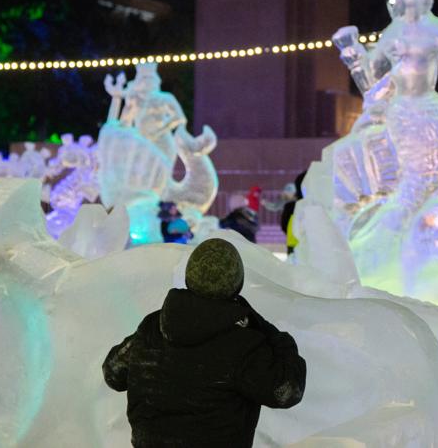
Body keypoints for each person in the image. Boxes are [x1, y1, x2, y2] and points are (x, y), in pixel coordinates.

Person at [103, 238, 306, 448]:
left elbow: (113, 373)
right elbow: (287, 391)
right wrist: (274, 335)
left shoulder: (151, 327)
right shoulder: (243, 346)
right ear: (237, 284)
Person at [279, 171, 306, 254]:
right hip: (306, 246)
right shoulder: (317, 208)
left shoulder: (290, 207)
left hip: (293, 244)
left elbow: (284, 226)